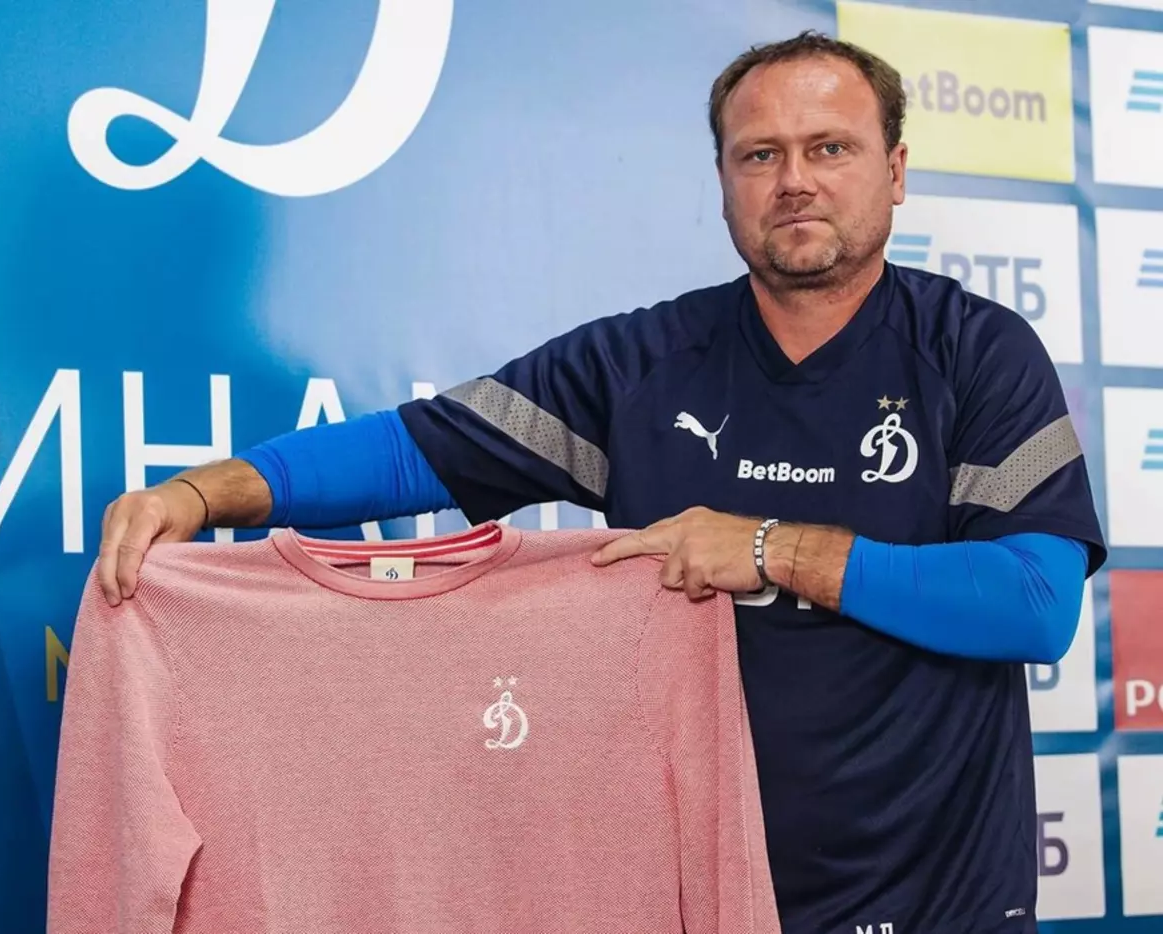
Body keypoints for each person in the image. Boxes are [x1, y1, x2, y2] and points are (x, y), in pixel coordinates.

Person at [96, 31, 1105, 934]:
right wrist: (198, 496)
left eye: (828, 148)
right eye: (759, 155)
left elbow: (1032, 600)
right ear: (723, 182)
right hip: (692, 894)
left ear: (894, 171)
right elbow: (415, 451)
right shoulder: (641, 365)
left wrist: (770, 549)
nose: (793, 180)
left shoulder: (975, 352)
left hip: (935, 898)